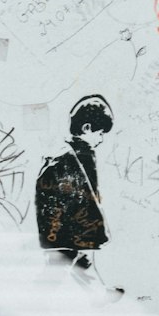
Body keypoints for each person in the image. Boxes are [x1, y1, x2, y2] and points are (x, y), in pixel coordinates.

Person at [35, 93, 122, 299]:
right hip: (67, 226)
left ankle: (98, 294)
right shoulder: (74, 157)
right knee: (59, 266)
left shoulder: (75, 154)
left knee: (81, 260)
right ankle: (37, 298)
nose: (101, 139)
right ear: (87, 129)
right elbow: (76, 194)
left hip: (69, 225)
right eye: (100, 133)